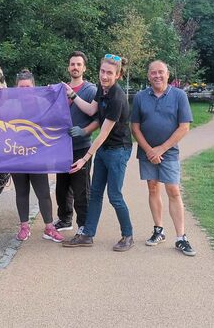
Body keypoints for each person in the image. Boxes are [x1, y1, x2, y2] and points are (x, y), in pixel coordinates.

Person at [62, 54, 135, 252]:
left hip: (118, 150)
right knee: (95, 194)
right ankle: (87, 234)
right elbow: (90, 109)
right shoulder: (101, 90)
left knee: (114, 195)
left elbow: (102, 134)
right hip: (104, 150)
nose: (104, 76)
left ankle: (127, 235)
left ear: (118, 75)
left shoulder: (117, 98)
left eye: (109, 73)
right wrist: (72, 95)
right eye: (102, 71)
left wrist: (84, 158)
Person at [130, 60, 196, 256]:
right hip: (147, 152)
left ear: (168, 75)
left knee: (173, 190)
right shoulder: (141, 97)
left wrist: (161, 149)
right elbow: (135, 127)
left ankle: (181, 237)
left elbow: (184, 127)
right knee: (152, 187)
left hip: (169, 153)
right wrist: (150, 150)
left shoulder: (179, 95)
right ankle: (158, 230)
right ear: (148, 76)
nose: (157, 76)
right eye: (153, 73)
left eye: (161, 72)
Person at [11, 69, 64, 243]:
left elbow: (56, 117)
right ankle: (24, 227)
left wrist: (52, 96)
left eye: (28, 86)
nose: (25, 89)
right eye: (21, 87)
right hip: (16, 155)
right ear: (16, 88)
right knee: (22, 192)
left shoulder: (42, 103)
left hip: (37, 156)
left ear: (34, 87)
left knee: (43, 193)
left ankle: (49, 228)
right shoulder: (9, 104)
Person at [54, 51, 98, 234]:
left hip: (81, 147)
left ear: (84, 68)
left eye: (79, 64)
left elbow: (98, 119)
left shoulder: (91, 90)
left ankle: (84, 224)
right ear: (68, 67)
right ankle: (65, 219)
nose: (75, 67)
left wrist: (84, 131)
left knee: (81, 189)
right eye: (72, 64)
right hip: (61, 147)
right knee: (62, 188)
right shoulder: (59, 90)